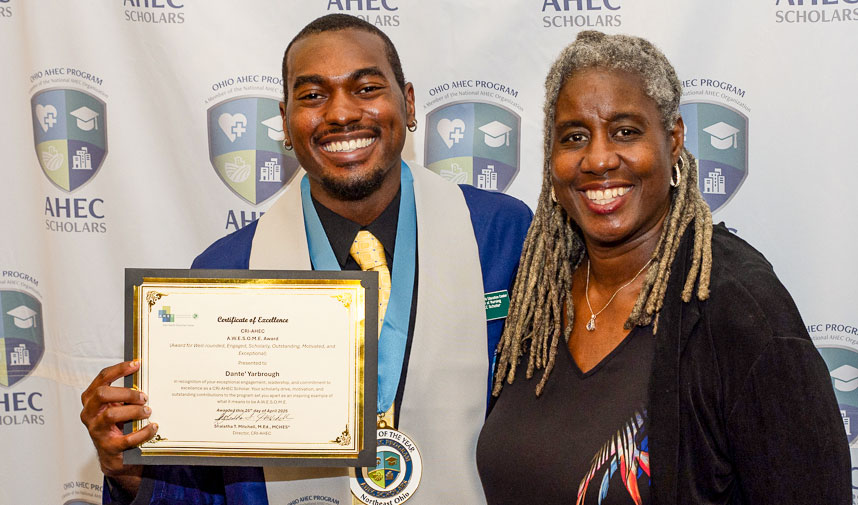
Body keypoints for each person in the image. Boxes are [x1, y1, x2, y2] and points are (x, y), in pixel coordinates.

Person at [80, 14, 532, 505]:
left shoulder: (501, 234)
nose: (340, 113)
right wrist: (126, 470)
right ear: (287, 123)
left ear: (409, 103)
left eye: (366, 88)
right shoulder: (222, 275)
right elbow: (204, 494)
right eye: (313, 95)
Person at [476, 31, 850, 505]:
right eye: (574, 137)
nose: (598, 159)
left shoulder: (737, 307)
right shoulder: (539, 293)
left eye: (625, 132)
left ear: (672, 140)